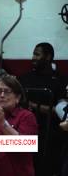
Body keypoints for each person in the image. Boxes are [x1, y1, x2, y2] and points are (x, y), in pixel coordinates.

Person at [19, 42, 68, 175]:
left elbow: (62, 110)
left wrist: (34, 106)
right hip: (26, 130)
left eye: (37, 54)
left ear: (48, 57)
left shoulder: (60, 79)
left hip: (50, 133)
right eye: (33, 54)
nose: (33, 57)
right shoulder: (25, 78)